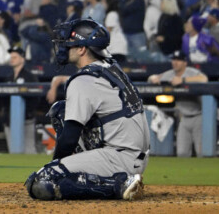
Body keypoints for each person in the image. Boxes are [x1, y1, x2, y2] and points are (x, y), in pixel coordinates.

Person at [25, 18, 148, 201]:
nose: (63, 47)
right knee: (61, 110)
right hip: (136, 155)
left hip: (118, 157)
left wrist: (56, 167)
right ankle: (113, 177)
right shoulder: (111, 68)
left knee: (42, 181)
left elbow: (69, 137)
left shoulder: (82, 80)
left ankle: (118, 183)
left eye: (69, 44)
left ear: (82, 49)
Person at [147, 50, 208, 157]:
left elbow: (204, 79)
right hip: (183, 118)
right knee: (182, 153)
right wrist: (153, 78)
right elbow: (152, 78)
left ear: (185, 62)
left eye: (178, 60)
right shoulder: (170, 74)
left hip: (199, 116)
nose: (175, 62)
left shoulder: (191, 72)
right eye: (174, 59)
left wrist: (183, 80)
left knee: (201, 153)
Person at [3, 46, 38, 154]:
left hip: (26, 119)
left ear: (22, 59)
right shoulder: (8, 78)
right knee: (13, 150)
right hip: (10, 119)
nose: (12, 59)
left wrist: (28, 112)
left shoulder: (30, 77)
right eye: (11, 57)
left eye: (15, 57)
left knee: (29, 149)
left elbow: (36, 98)